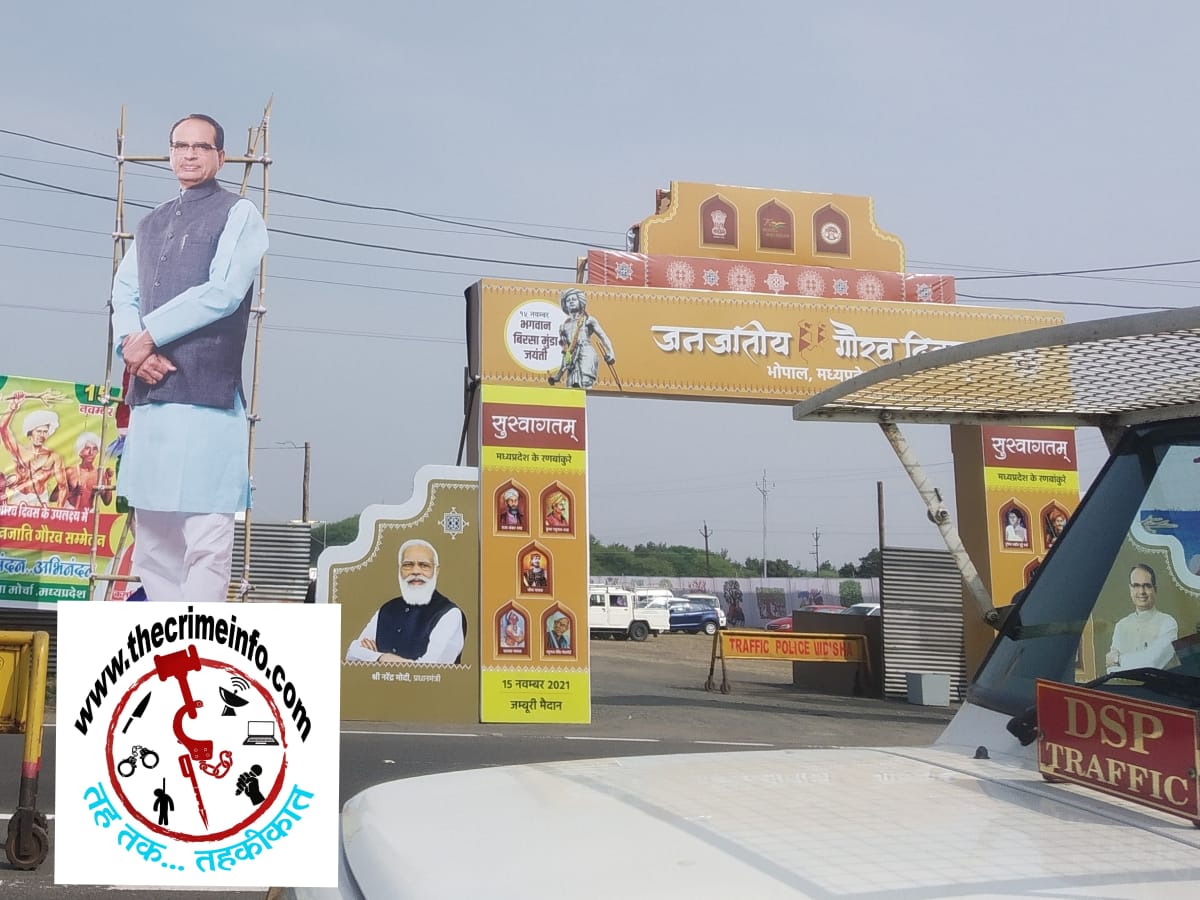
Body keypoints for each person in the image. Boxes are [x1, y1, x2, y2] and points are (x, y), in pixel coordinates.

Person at [109, 113, 269, 603]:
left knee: (206, 535)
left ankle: (199, 639)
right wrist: (132, 348)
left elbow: (223, 291)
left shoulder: (240, 213)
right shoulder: (150, 222)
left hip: (206, 398)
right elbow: (123, 293)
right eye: (181, 146)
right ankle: (166, 634)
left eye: (201, 147)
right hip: (153, 396)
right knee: (153, 542)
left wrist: (148, 336)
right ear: (170, 154)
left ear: (221, 156)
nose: (189, 154)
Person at [346, 539, 466, 664]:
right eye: (408, 565)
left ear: (436, 571)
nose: (415, 571)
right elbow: (352, 654)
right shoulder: (387, 609)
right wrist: (382, 657)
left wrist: (371, 657)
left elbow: (430, 667)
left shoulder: (450, 614)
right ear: (400, 570)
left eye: (424, 565)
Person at [1106, 563, 1179, 673]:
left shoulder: (1168, 623)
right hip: (1123, 685)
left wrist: (1118, 659)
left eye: (1147, 586)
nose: (1141, 592)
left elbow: (1152, 663)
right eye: (1136, 585)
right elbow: (1111, 670)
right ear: (1130, 589)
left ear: (1155, 589)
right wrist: (1140, 659)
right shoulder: (1121, 626)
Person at [1, 393, 67, 507]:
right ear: (30, 433)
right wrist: (13, 407)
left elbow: (63, 487)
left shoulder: (54, 457)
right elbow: (3, 428)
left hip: (40, 500)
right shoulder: (20, 451)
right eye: (38, 431)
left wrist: (59, 510)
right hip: (19, 498)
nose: (41, 435)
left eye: (45, 432)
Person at [547, 288, 615, 389]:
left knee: (585, 382)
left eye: (574, 299)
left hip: (586, 354)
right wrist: (559, 374)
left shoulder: (588, 320)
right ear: (565, 305)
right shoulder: (564, 326)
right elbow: (566, 351)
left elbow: (603, 337)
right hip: (572, 358)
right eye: (568, 300)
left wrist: (611, 353)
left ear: (580, 302)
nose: (571, 302)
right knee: (571, 386)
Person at [62, 432, 115, 511]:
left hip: (89, 513)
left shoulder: (99, 474)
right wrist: (73, 492)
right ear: (80, 452)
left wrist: (109, 480)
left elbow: (107, 501)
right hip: (71, 512)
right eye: (87, 448)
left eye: (94, 449)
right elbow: (53, 497)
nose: (91, 452)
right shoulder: (70, 471)